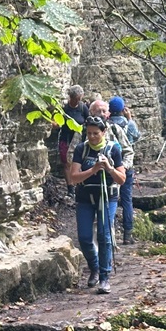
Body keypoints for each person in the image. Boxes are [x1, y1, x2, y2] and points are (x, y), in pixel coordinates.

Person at [68, 115, 126, 294]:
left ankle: (104, 277)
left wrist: (109, 168)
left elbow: (121, 179)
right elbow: (73, 177)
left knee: (104, 235)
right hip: (85, 198)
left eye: (96, 133)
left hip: (107, 198)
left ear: (104, 132)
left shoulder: (113, 149)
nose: (92, 137)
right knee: (85, 238)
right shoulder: (81, 149)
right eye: (89, 133)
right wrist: (93, 170)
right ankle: (94, 267)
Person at [107, 96, 140, 244]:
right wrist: (130, 118)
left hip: (111, 167)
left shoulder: (106, 125)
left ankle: (110, 232)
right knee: (126, 199)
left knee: (111, 199)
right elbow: (137, 137)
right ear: (122, 109)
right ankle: (127, 235)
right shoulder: (128, 123)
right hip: (126, 166)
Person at [53, 85, 88, 173]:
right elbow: (56, 122)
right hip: (66, 138)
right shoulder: (64, 108)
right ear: (70, 97)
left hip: (79, 139)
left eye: (79, 99)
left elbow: (88, 121)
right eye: (76, 99)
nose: (77, 101)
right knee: (66, 162)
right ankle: (69, 182)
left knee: (78, 161)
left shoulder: (83, 107)